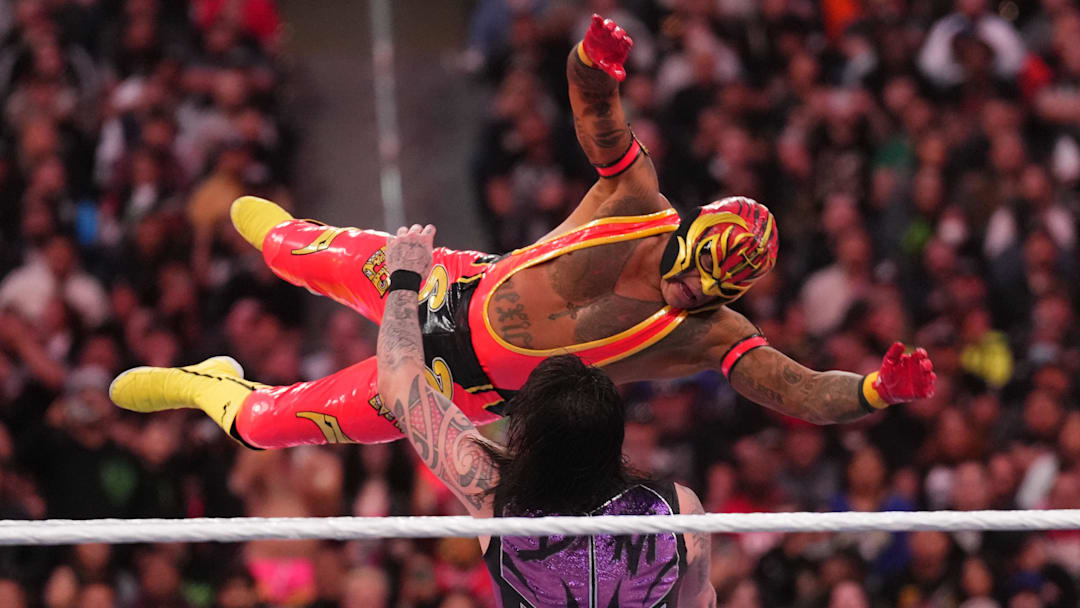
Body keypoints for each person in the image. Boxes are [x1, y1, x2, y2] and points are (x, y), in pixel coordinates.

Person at [109, 15, 936, 450]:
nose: (687, 296)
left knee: (261, 427)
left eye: (706, 295)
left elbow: (796, 389)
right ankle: (276, 227)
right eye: (688, 276)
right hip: (449, 280)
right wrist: (590, 60)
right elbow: (595, 110)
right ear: (684, 237)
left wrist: (871, 392)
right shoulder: (639, 200)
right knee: (286, 248)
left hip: (446, 390)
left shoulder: (710, 332)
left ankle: (208, 381)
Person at [375, 223, 715, 607]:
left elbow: (400, 383)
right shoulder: (678, 509)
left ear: (528, 435)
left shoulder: (494, 495)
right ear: (612, 438)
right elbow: (700, 601)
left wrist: (403, 279)